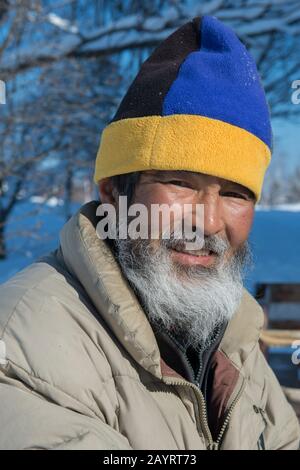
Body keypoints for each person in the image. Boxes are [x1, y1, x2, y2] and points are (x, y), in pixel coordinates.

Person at [0, 15, 299, 450]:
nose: (209, 223)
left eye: (235, 193)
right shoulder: (25, 350)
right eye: (180, 183)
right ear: (112, 193)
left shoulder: (234, 340)